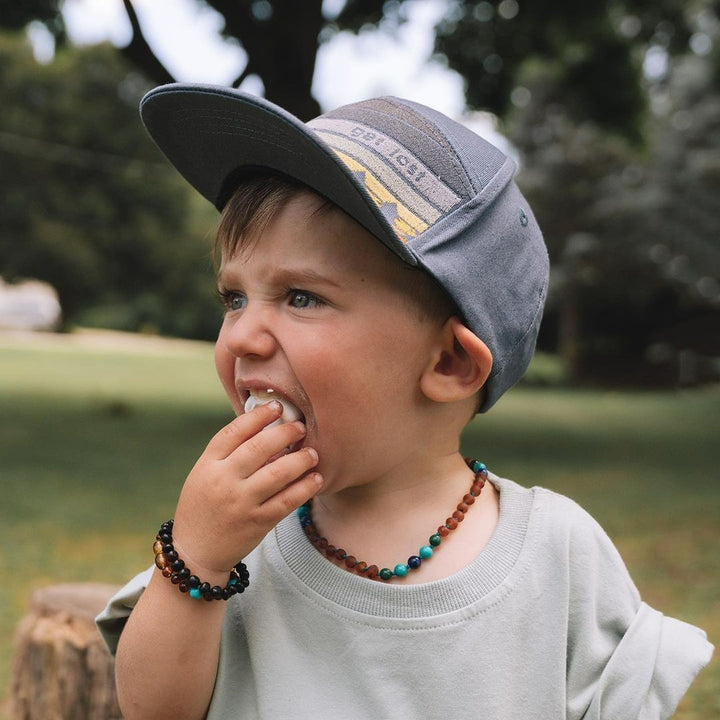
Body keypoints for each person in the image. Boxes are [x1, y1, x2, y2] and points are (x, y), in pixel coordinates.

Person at [96, 85, 713, 720]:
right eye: (235, 298)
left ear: (449, 363)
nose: (241, 336)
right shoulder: (234, 541)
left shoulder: (558, 557)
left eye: (301, 297)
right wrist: (194, 559)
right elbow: (152, 710)